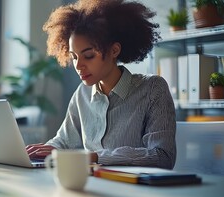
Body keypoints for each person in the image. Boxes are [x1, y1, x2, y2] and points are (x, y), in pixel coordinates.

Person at [26, 0, 176, 170]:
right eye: (74, 57)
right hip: (93, 187)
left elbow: (163, 156)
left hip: (135, 191)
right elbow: (64, 141)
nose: (78, 65)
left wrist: (95, 157)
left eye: (88, 56)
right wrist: (47, 150)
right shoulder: (82, 93)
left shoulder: (153, 89)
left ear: (114, 51)